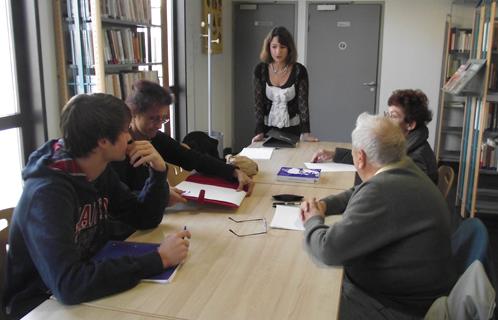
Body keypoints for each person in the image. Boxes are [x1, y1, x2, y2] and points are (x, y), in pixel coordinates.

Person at [2, 94, 191, 319]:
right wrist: (158, 259)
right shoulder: (47, 194)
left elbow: (144, 218)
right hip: (41, 304)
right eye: (124, 130)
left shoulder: (97, 170)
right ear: (103, 141)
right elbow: (69, 284)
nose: (130, 137)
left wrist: (158, 173)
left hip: (85, 284)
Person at [301, 113, 455, 319]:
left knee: (306, 302)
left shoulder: (383, 191)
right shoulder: (403, 166)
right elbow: (360, 192)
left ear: (360, 157)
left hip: (394, 307)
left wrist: (313, 220)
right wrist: (325, 205)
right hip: (413, 291)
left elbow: (328, 250)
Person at [111, 80, 254, 207]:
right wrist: (159, 195)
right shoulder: (117, 149)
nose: (159, 125)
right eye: (153, 119)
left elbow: (193, 158)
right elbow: (117, 197)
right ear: (133, 114)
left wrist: (233, 171)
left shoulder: (155, 138)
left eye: (163, 119)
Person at [311, 89, 438, 184]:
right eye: (387, 114)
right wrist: (333, 154)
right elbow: (371, 157)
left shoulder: (416, 158)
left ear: (410, 124)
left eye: (393, 116)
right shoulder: (405, 143)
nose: (387, 120)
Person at [252, 26, 318, 143]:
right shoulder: (260, 70)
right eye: (274, 47)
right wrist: (259, 132)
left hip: (293, 131)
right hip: (267, 131)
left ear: (289, 49)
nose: (278, 52)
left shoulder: (299, 70)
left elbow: (303, 105)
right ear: (268, 47)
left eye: (282, 47)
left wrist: (306, 132)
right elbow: (258, 105)